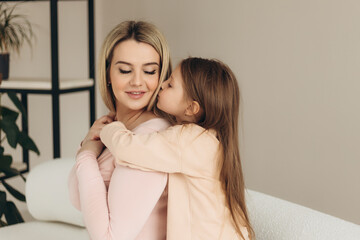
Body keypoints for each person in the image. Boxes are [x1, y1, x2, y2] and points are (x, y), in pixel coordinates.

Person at [99, 57, 254, 240]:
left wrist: (112, 125)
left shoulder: (188, 140)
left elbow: (127, 148)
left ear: (191, 108)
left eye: (170, 84)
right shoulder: (208, 140)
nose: (162, 85)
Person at [68, 20, 172, 240]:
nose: (137, 81)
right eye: (125, 70)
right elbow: (77, 197)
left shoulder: (150, 138)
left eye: (149, 71)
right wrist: (89, 144)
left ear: (161, 76)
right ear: (107, 74)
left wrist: (87, 153)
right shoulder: (111, 129)